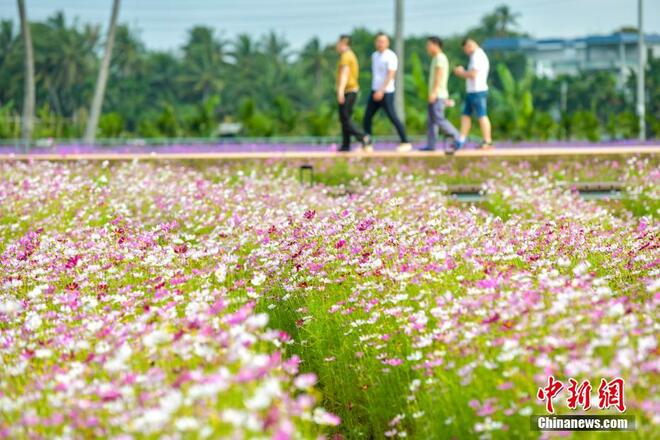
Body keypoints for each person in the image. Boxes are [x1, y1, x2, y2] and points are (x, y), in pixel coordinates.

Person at [363, 32, 412, 152]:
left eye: (383, 41)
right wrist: (376, 90)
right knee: (367, 117)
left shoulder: (391, 56)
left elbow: (391, 75)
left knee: (393, 117)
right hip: (375, 91)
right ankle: (367, 144)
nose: (380, 44)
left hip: (387, 92)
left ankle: (405, 141)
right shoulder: (374, 56)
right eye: (378, 41)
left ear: (387, 42)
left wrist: (381, 90)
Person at [419, 36, 460, 153]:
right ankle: (431, 145)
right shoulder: (436, 58)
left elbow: (439, 76)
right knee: (431, 121)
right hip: (436, 94)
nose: (427, 48)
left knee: (438, 119)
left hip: (438, 94)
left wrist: (434, 92)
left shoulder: (440, 58)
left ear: (435, 45)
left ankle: (456, 137)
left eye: (429, 45)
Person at [453, 38, 493, 149]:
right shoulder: (476, 56)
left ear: (468, 46)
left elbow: (473, 74)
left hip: (478, 91)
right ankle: (461, 140)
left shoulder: (477, 56)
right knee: (465, 115)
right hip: (472, 91)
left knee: (482, 115)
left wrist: (461, 72)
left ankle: (487, 141)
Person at [335, 35, 371, 152]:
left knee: (345, 119)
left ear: (343, 44)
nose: (337, 46)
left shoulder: (346, 56)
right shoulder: (350, 55)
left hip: (348, 91)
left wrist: (340, 91)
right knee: (345, 118)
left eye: (338, 43)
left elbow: (345, 74)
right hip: (351, 90)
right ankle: (346, 145)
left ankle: (363, 137)